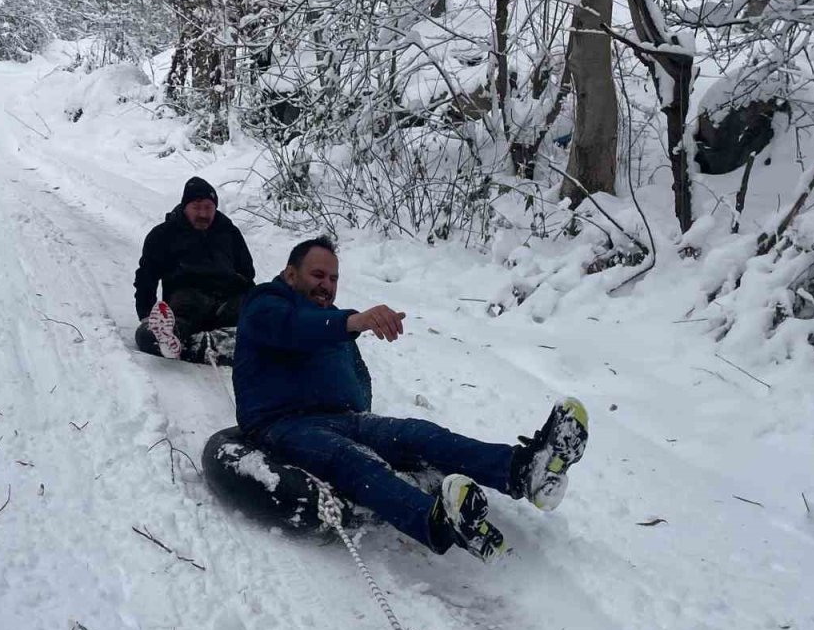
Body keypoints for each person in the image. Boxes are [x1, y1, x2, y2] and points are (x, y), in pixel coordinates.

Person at [232, 236, 589, 562]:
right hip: (280, 423)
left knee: (417, 433)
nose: (327, 286)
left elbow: (356, 379)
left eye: (334, 278)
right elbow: (292, 326)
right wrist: (353, 322)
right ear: (291, 274)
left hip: (341, 417)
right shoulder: (265, 305)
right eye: (318, 275)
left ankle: (525, 470)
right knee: (349, 459)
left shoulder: (331, 321)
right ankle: (436, 520)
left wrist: (371, 424)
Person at [134, 176, 255, 365]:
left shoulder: (229, 232)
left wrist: (247, 295)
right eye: (197, 207)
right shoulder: (163, 235)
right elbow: (146, 277)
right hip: (188, 304)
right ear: (185, 207)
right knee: (147, 335)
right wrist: (146, 313)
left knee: (260, 307)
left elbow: (247, 272)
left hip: (227, 304)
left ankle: (204, 345)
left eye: (208, 208)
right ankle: (175, 338)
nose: (203, 214)